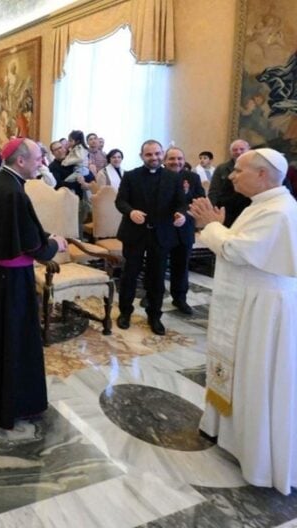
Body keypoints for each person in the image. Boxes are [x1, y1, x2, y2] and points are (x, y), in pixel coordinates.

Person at [188, 148, 297, 495]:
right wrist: (218, 228)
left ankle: (259, 456)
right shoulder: (262, 205)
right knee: (242, 370)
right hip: (248, 300)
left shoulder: (279, 211)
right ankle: (234, 437)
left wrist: (211, 225)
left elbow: (237, 250)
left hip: (263, 309)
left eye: (238, 170)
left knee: (257, 373)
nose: (231, 176)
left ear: (263, 175)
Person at [0, 138, 68, 430]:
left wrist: (42, 237)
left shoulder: (0, 183)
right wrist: (53, 245)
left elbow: (12, 230)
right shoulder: (13, 192)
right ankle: (14, 403)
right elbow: (32, 245)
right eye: (38, 158)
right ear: (20, 161)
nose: (42, 163)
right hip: (11, 281)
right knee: (14, 338)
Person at [115, 140, 186, 335]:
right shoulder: (131, 176)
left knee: (157, 277)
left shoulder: (173, 178)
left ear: (162, 154)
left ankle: (154, 316)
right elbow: (120, 201)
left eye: (157, 154)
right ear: (141, 156)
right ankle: (125, 313)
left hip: (161, 234)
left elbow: (181, 203)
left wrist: (181, 214)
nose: (153, 158)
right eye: (149, 154)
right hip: (135, 234)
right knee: (129, 276)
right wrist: (130, 212)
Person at [163, 147, 205, 314]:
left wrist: (184, 210)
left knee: (181, 266)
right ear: (165, 161)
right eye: (172, 159)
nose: (176, 162)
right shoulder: (159, 177)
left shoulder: (192, 178)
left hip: (185, 229)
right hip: (163, 228)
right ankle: (152, 295)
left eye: (180, 158)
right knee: (156, 266)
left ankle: (180, 299)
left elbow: (200, 200)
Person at [208, 139, 250, 226]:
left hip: (248, 211)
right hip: (226, 212)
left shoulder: (254, 167)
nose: (238, 152)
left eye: (242, 149)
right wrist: (213, 210)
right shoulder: (221, 168)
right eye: (235, 150)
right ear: (231, 152)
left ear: (248, 149)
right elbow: (214, 191)